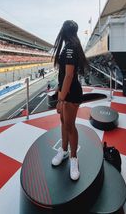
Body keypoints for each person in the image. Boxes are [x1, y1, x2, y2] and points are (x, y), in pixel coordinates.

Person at [51, 20, 88, 180]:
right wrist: (59, 90)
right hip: (66, 91)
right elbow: (63, 76)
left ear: (63, 31)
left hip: (71, 94)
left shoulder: (70, 47)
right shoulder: (70, 45)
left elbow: (69, 75)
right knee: (63, 121)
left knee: (70, 126)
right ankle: (64, 150)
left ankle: (74, 158)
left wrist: (61, 98)